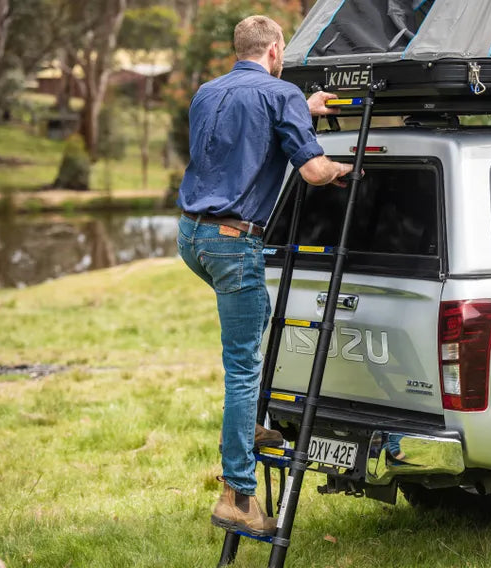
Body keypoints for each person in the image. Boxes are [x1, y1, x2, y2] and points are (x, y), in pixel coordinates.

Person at [176, 15, 353, 538]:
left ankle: (249, 425)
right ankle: (237, 494)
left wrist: (305, 106)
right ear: (277, 48)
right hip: (234, 243)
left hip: (192, 237)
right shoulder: (281, 97)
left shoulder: (208, 92)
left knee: (252, 329)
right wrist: (348, 167)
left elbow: (247, 128)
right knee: (243, 365)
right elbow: (315, 171)